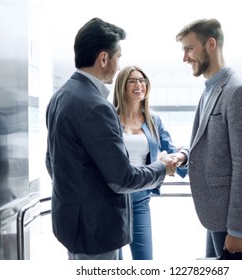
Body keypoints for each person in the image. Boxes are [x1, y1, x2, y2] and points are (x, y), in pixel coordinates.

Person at [45, 18, 175, 260]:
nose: (118, 66)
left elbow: (51, 162)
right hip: (96, 230)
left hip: (72, 225)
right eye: (118, 58)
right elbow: (122, 178)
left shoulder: (60, 97)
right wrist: (162, 167)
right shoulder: (96, 106)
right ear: (104, 58)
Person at [171, 18, 242, 259]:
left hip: (231, 218)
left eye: (189, 49)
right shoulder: (210, 88)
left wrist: (239, 229)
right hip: (215, 211)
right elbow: (210, 142)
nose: (185, 58)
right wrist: (185, 155)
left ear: (210, 44)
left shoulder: (239, 92)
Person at [113, 65, 187, 260]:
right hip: (112, 200)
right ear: (122, 86)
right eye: (133, 81)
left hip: (141, 197)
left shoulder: (153, 119)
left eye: (142, 80)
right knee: (112, 263)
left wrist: (180, 157)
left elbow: (171, 150)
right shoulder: (109, 117)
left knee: (145, 261)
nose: (139, 85)